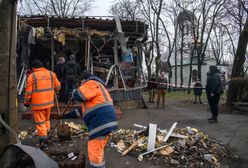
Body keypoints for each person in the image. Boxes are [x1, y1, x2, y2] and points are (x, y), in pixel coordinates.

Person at [72, 70, 118, 168]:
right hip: (107, 121)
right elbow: (83, 110)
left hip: (100, 122)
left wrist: (73, 92)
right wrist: (66, 115)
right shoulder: (99, 86)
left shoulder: (91, 83)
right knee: (98, 150)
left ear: (83, 80)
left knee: (94, 150)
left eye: (81, 82)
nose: (81, 84)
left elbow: (79, 95)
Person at [24, 59, 61, 149]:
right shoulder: (51, 74)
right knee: (46, 120)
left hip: (38, 104)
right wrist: (54, 90)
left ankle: (43, 142)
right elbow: (58, 87)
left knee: (40, 123)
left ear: (33, 68)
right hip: (49, 103)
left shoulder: (32, 76)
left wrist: (26, 103)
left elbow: (28, 92)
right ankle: (48, 135)